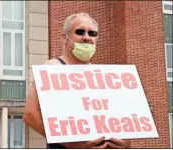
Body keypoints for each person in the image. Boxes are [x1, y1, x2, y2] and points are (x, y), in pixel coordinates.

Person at [24, 12, 130, 149]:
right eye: (80, 32)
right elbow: (30, 115)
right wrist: (75, 145)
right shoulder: (52, 68)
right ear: (64, 38)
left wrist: (123, 141)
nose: (87, 37)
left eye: (92, 33)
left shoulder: (103, 75)